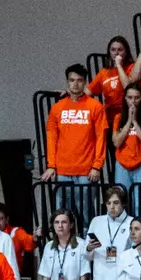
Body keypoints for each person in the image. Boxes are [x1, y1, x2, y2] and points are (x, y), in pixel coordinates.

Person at [40, 65, 107, 199]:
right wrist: (51, 165)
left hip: (86, 171)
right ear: (67, 82)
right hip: (62, 170)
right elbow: (52, 138)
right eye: (72, 80)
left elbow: (101, 138)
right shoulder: (57, 108)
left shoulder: (96, 107)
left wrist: (97, 166)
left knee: (86, 215)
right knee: (62, 215)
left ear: (85, 82)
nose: (75, 84)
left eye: (79, 80)